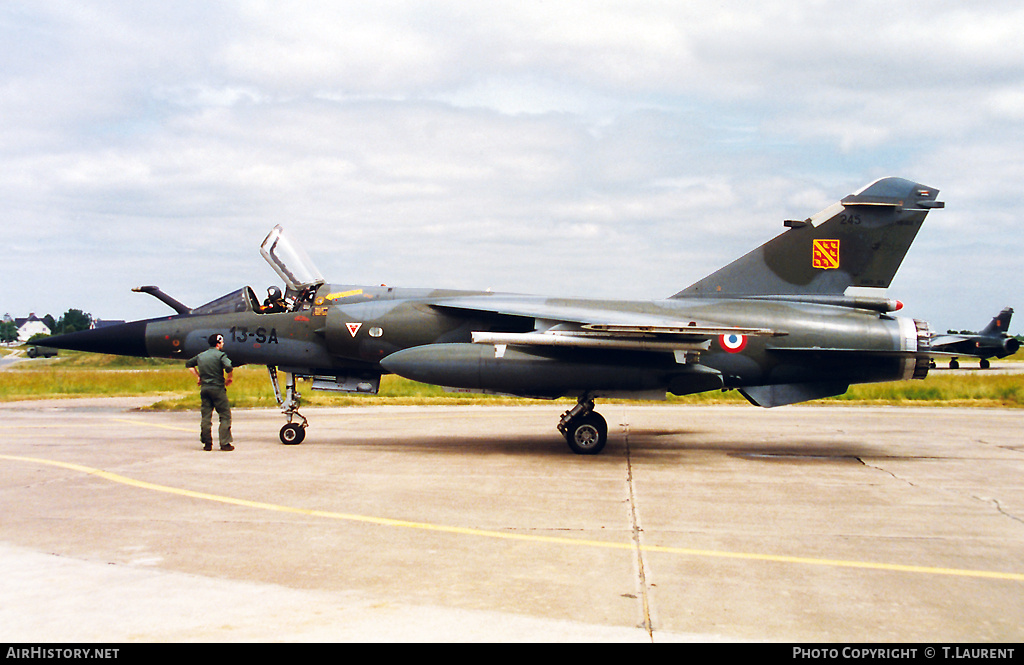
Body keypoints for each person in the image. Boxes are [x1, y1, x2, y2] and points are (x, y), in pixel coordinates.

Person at [185, 333, 235, 451]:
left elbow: (189, 364)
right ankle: (225, 443)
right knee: (225, 416)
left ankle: (207, 443)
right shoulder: (221, 355)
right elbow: (229, 366)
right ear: (218, 343)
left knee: (206, 417)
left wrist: (198, 377)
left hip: (205, 389)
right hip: (217, 389)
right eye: (222, 342)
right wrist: (230, 377)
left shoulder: (201, 356)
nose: (223, 344)